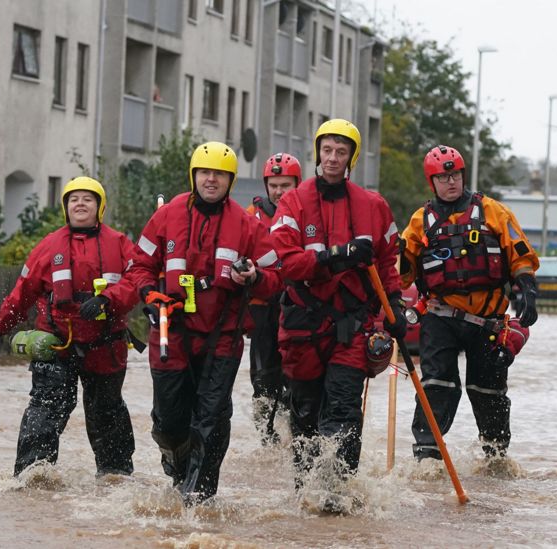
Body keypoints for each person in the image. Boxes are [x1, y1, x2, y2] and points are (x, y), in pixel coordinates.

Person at [126, 141, 282, 505]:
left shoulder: (246, 224)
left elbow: (277, 275)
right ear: (194, 175)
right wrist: (149, 295)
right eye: (205, 173)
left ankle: (200, 499)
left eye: (219, 175)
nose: (211, 180)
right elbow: (139, 266)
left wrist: (255, 277)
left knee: (210, 422)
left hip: (222, 338)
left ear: (230, 180)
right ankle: (177, 466)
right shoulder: (167, 216)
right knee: (169, 422)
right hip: (171, 334)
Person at [269, 119, 405, 501]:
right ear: (317, 153)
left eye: (340, 152)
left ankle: (338, 491)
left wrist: (393, 303)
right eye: (327, 150)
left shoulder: (374, 206)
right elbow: (287, 262)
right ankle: (305, 492)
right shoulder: (292, 202)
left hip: (352, 323)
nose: (332, 158)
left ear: (351, 158)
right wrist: (337, 256)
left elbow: (387, 261)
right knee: (306, 413)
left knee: (343, 409)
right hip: (302, 324)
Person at [0, 176, 140, 477]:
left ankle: (115, 479)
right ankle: (31, 478)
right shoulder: (48, 246)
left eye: (87, 199)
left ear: (100, 206)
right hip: (56, 345)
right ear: (65, 207)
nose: (80, 204)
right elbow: (24, 290)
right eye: (73, 199)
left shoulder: (120, 244)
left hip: (104, 346)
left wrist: (108, 299)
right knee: (45, 411)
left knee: (107, 415)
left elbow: (137, 282)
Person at [398, 145, 539, 464]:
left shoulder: (493, 212)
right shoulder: (420, 221)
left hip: (488, 321)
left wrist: (527, 288)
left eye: (456, 175)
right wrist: (396, 254)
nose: (452, 182)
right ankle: (427, 459)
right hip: (440, 318)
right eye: (444, 177)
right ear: (431, 181)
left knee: (488, 393)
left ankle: (496, 458)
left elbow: (520, 255)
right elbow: (403, 276)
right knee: (437, 386)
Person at [244, 152, 301, 445]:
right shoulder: (250, 216)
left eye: (285, 185)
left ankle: (295, 432)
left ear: (296, 184)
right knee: (263, 376)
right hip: (263, 308)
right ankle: (266, 440)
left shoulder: (304, 212)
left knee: (297, 375)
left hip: (297, 305)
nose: (279, 192)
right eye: (274, 185)